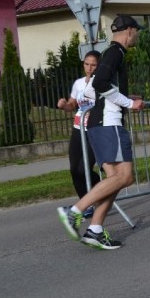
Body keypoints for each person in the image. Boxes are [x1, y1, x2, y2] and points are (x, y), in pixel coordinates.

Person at [57, 15, 145, 250]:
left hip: (101, 121)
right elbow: (100, 84)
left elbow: (102, 88)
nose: (137, 35)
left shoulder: (112, 53)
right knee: (123, 177)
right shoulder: (116, 52)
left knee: (116, 179)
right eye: (136, 31)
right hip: (108, 123)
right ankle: (74, 211)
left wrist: (128, 98)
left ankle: (95, 229)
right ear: (129, 31)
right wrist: (128, 103)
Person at [56, 50, 102, 215]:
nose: (89, 68)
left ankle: (105, 187)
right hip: (78, 129)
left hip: (94, 130)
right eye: (86, 64)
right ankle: (86, 203)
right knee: (74, 169)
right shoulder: (78, 83)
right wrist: (63, 105)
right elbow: (72, 105)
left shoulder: (102, 83)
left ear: (99, 66)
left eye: (93, 65)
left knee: (84, 169)